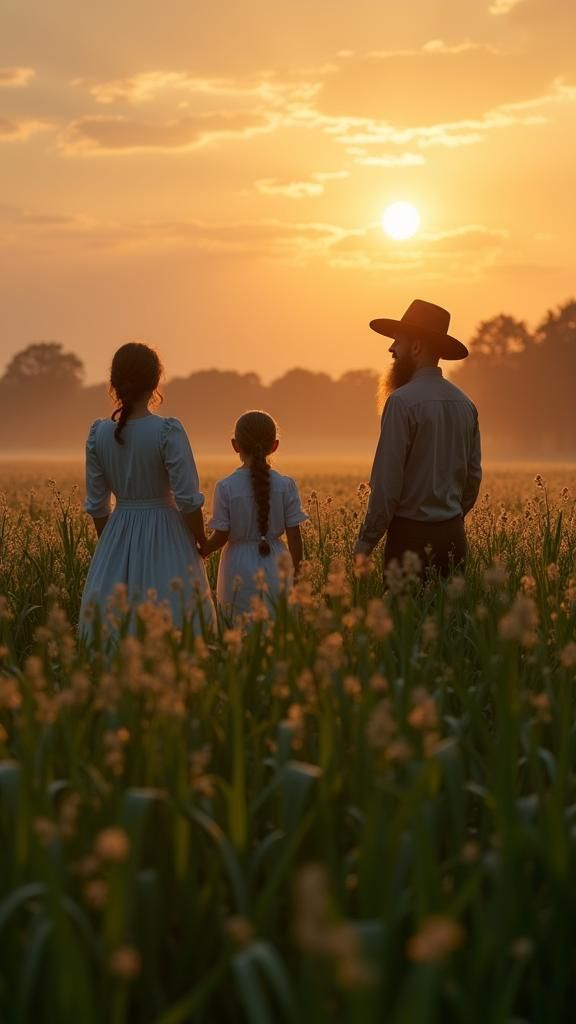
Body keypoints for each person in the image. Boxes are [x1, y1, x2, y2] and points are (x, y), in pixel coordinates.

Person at [80, 342, 215, 639]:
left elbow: (98, 506)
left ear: (114, 383)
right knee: (175, 620)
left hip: (117, 530)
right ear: (155, 382)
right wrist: (202, 543)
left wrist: (113, 547)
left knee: (113, 629)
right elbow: (187, 499)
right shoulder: (168, 430)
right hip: (168, 533)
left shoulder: (98, 434)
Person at [354, 299, 482, 577]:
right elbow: (473, 479)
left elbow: (386, 487)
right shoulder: (465, 404)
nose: (391, 349)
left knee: (405, 619)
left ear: (416, 347)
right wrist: (448, 520)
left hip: (409, 541)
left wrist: (365, 544)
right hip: (453, 539)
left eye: (397, 342)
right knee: (450, 619)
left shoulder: (401, 403)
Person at [206, 410, 308, 619]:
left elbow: (221, 535)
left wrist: (202, 548)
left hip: (237, 567)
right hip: (278, 564)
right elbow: (295, 537)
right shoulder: (286, 485)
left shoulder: (225, 487)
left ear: (235, 445)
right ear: (275, 445)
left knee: (237, 627)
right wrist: (297, 574)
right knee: (277, 626)